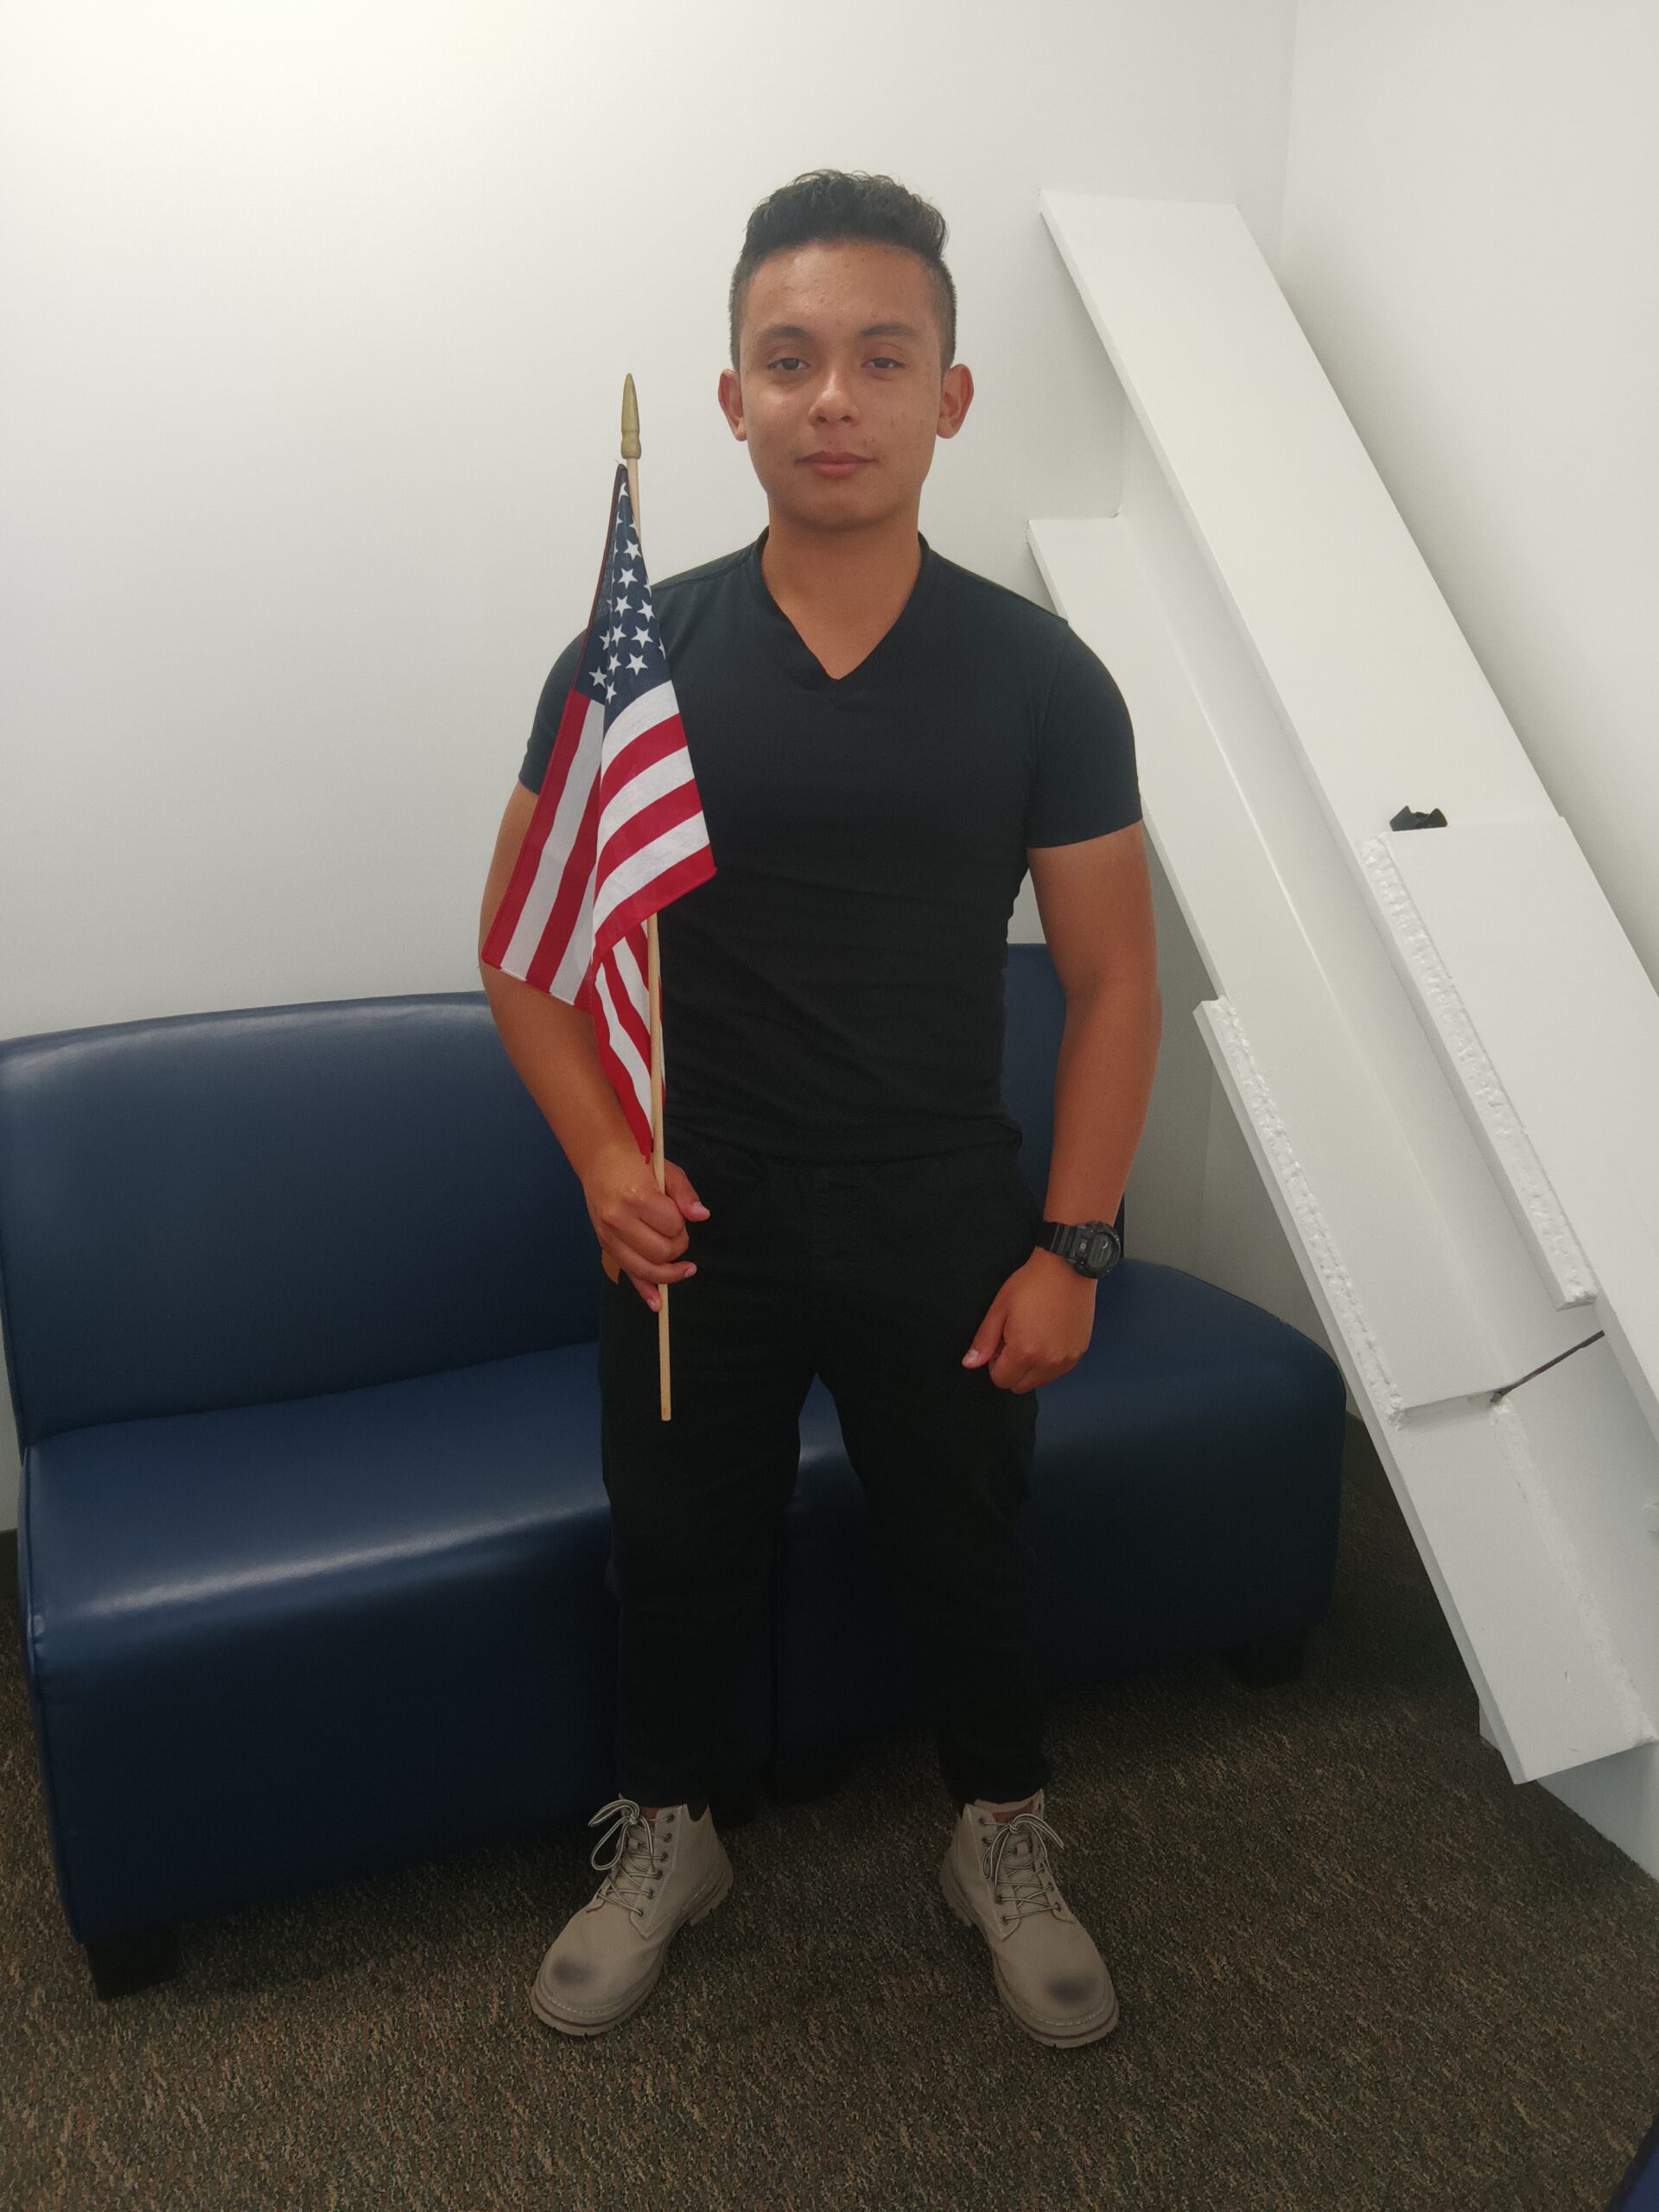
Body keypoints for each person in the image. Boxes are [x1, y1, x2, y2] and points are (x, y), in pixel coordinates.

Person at [477, 169, 1160, 2047]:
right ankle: (673, 1826)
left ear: (951, 394)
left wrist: (1074, 1244)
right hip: (696, 1209)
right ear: (732, 399)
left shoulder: (1041, 675)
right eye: (791, 360)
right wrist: (610, 1158)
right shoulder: (631, 665)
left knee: (968, 1539)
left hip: (943, 1204)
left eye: (881, 356)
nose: (834, 396)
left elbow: (1114, 984)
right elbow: (523, 953)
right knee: (681, 1534)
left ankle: (999, 1828)